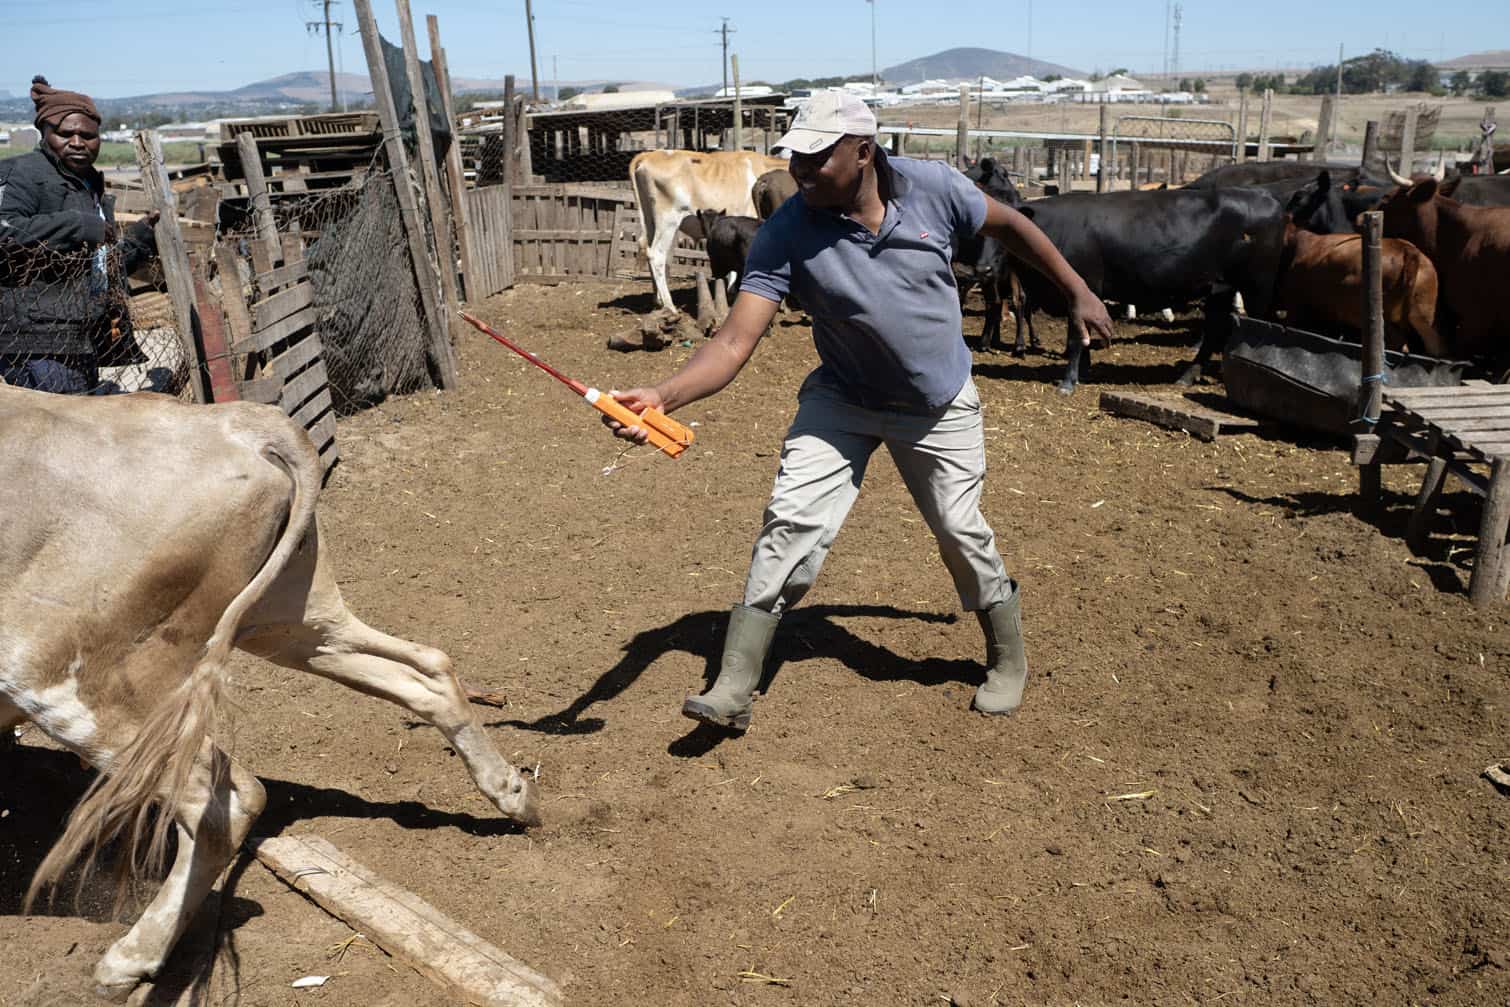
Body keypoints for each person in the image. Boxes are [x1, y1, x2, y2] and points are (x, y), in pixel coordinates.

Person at [606, 90, 1115, 731]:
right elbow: (734, 341)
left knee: (960, 530)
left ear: (864, 152)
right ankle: (735, 680)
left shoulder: (934, 188)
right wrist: (661, 395)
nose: (802, 171)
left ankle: (1006, 656)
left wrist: (1077, 290)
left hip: (937, 403)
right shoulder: (789, 229)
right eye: (797, 157)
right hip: (842, 399)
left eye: (819, 159)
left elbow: (1011, 225)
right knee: (789, 521)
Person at [0, 76, 157, 393]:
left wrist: (140, 239)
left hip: (79, 335)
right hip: (37, 340)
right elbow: (4, 232)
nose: (77, 142)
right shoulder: (23, 174)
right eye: (65, 133)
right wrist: (76, 224)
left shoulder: (87, 185)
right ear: (44, 133)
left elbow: (95, 264)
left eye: (88, 135)